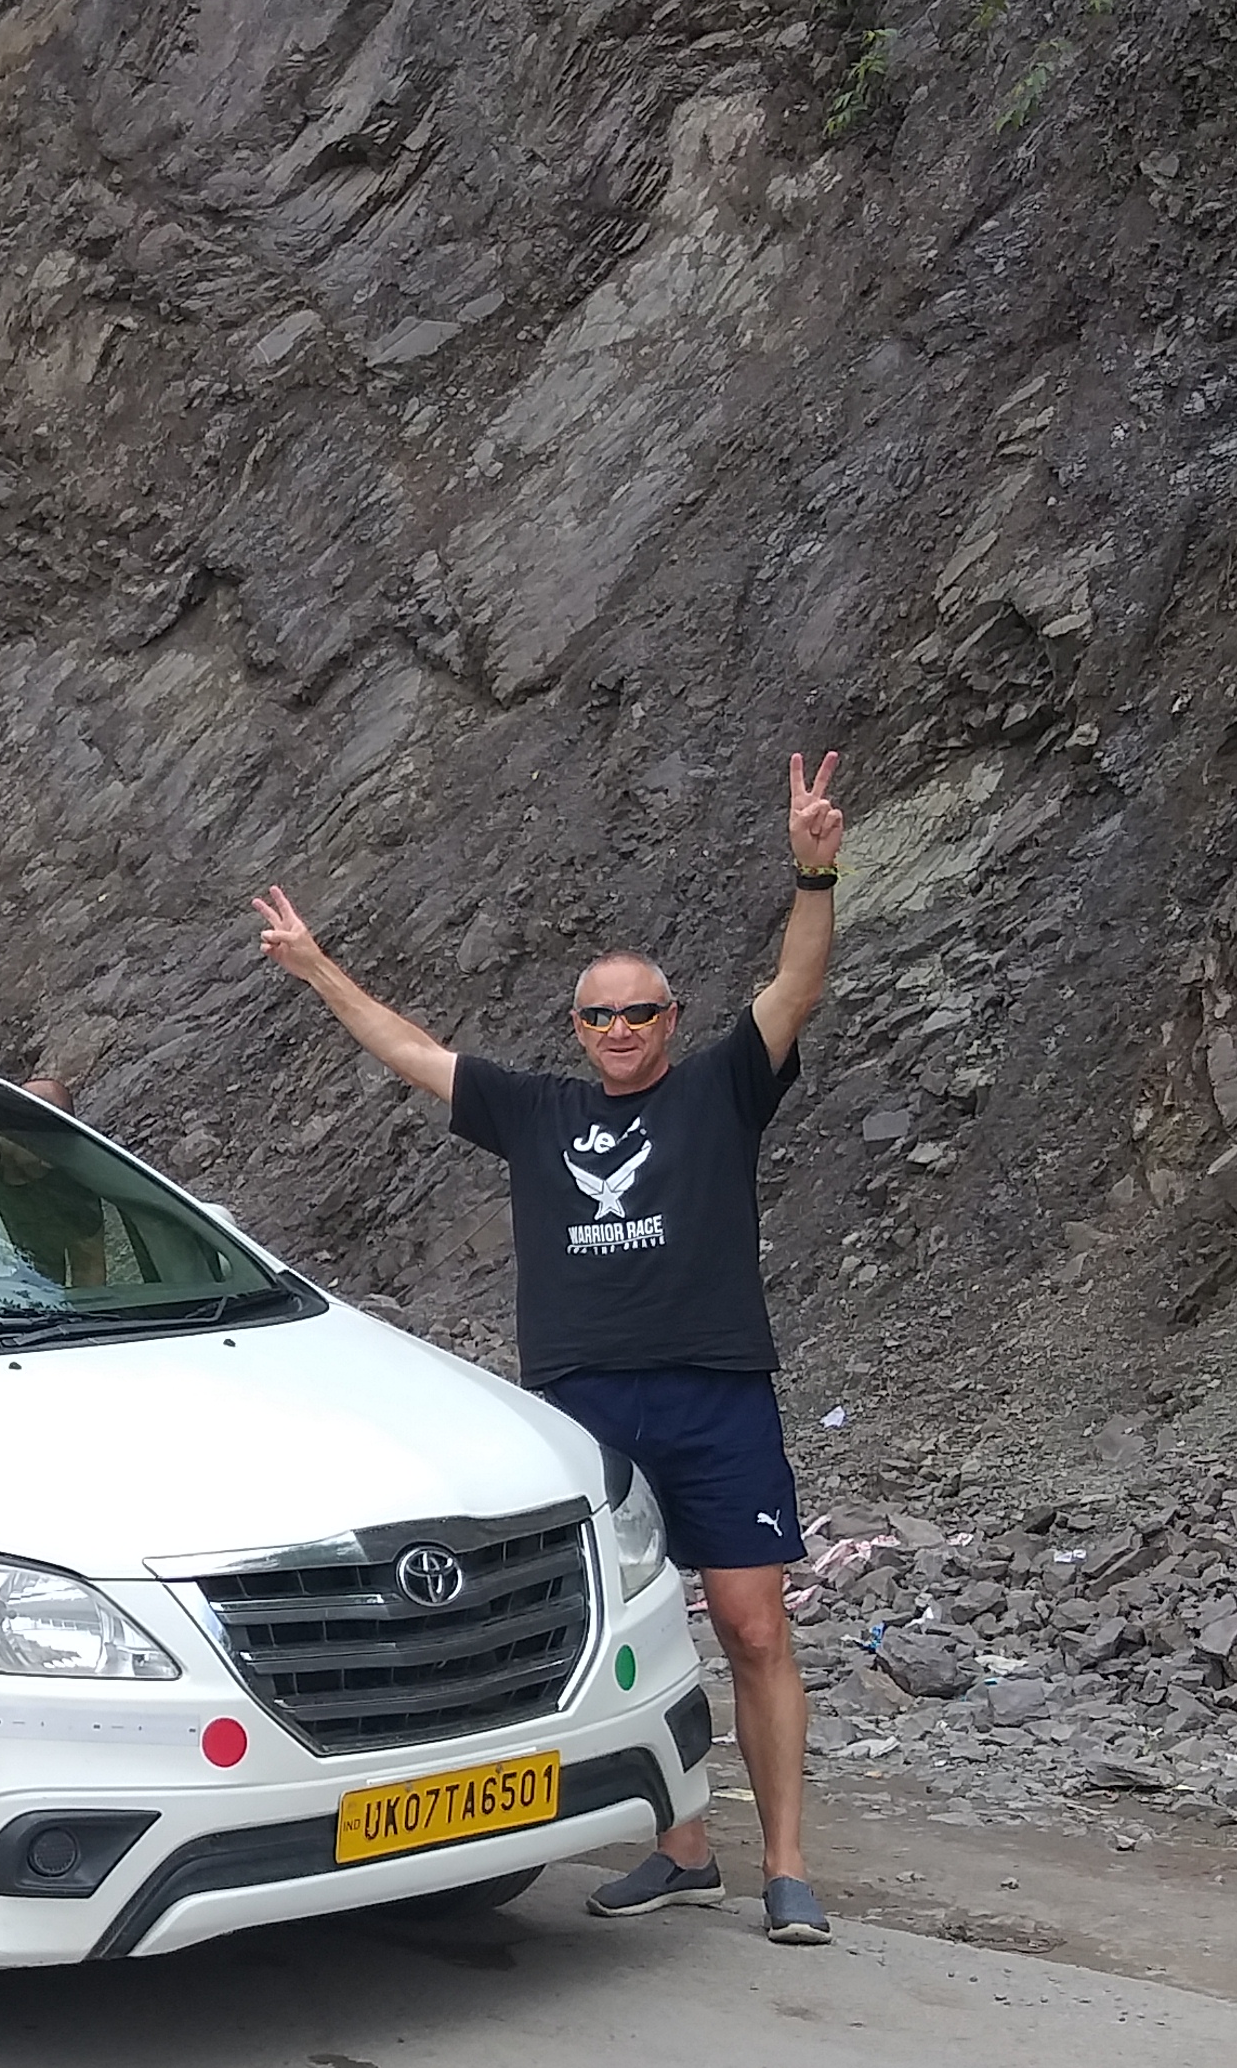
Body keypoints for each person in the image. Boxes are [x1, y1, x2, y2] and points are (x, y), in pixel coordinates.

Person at [253, 751, 850, 1945]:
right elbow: (413, 1052)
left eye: (640, 1011)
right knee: (637, 1627)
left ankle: (785, 1863)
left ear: (672, 1022)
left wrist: (812, 871)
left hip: (715, 1394)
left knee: (752, 1623)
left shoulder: (725, 1085)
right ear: (576, 1029)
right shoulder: (539, 1112)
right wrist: (317, 968)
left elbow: (796, 985)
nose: (620, 1028)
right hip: (582, 1410)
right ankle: (682, 1847)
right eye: (599, 1014)